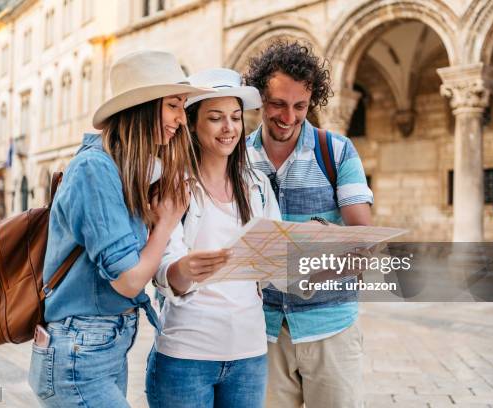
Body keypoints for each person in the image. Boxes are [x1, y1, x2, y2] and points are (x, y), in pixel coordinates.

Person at [28, 50, 213, 407]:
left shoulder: (124, 168)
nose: (182, 119)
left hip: (103, 344)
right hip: (81, 350)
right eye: (174, 105)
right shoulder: (95, 170)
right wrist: (166, 223)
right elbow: (129, 280)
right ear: (144, 105)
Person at [244, 41, 373, 408]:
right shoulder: (237, 158)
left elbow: (363, 240)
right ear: (259, 100)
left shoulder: (337, 151)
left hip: (330, 327)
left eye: (300, 106)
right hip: (263, 332)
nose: (289, 116)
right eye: (278, 105)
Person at [146, 68, 281, 408]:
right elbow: (163, 273)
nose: (229, 128)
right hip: (186, 357)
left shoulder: (259, 188)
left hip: (249, 354)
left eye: (236, 118)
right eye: (216, 118)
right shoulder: (174, 185)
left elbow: (276, 263)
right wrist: (186, 270)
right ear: (192, 123)